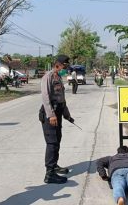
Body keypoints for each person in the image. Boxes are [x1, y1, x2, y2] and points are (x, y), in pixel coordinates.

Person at [40, 54, 74, 184]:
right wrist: (51, 115)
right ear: (57, 65)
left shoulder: (58, 77)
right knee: (52, 142)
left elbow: (61, 99)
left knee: (57, 140)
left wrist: (67, 115)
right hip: (50, 114)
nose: (65, 68)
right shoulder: (47, 77)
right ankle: (49, 174)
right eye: (64, 66)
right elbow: (45, 97)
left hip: (58, 112)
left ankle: (54, 165)